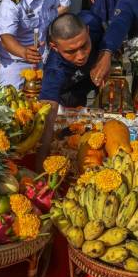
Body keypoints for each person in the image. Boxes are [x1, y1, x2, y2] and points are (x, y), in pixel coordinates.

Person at [35, 11, 106, 168]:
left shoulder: (92, 21)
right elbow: (48, 109)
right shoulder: (54, 68)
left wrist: (105, 56)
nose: (80, 56)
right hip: (70, 87)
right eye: (71, 51)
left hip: (95, 73)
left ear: (87, 31)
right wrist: (42, 156)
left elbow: (111, 33)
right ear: (54, 47)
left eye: (84, 46)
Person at [0, 0, 59, 89]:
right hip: (15, 65)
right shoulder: (13, 1)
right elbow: (6, 37)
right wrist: (24, 52)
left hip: (42, 62)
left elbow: (54, 24)